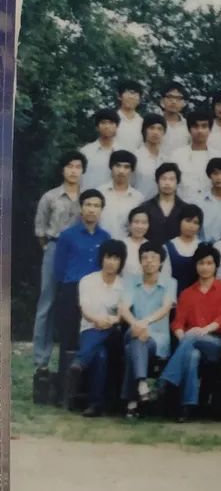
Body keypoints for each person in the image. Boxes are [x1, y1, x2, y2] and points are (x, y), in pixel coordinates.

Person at [158, 244, 221, 422]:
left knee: (192, 337)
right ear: (196, 265)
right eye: (201, 263)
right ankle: (187, 407)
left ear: (215, 266)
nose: (205, 267)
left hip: (216, 343)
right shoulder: (187, 293)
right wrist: (183, 337)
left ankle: (167, 379)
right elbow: (178, 322)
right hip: (190, 342)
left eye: (209, 263)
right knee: (192, 355)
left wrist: (202, 331)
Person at [31, 151, 86, 376]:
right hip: (54, 247)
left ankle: (76, 359)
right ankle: (41, 360)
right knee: (47, 302)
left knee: (79, 303)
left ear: (83, 171)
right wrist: (49, 248)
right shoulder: (50, 197)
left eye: (78, 167)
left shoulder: (87, 197)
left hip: (79, 251)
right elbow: (40, 230)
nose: (73, 171)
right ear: (63, 169)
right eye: (69, 166)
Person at [53, 190, 112, 387]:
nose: (92, 210)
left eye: (96, 206)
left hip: (96, 293)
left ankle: (87, 388)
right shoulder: (67, 236)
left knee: (91, 335)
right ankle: (64, 388)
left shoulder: (105, 237)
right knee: (69, 338)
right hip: (72, 290)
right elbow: (59, 268)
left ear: (101, 210)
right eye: (88, 205)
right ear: (81, 208)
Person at [70, 239, 128, 417]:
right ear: (101, 258)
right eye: (108, 257)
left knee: (108, 336)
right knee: (100, 355)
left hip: (114, 333)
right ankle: (95, 405)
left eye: (116, 258)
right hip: (90, 329)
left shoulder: (124, 285)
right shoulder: (87, 281)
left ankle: (81, 361)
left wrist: (110, 321)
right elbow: (85, 310)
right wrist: (97, 320)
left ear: (121, 262)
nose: (111, 262)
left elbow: (122, 313)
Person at [119, 241, 176, 418]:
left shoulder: (170, 283)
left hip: (158, 339)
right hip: (135, 330)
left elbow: (165, 308)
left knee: (133, 347)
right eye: (144, 258)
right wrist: (136, 324)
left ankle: (132, 402)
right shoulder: (131, 281)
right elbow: (123, 308)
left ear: (161, 261)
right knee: (137, 337)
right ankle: (142, 384)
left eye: (153, 257)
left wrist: (144, 322)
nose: (149, 261)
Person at [172, 110, 221, 203]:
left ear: (210, 129)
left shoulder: (218, 156)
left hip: (211, 205)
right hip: (183, 206)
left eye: (204, 126)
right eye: (195, 126)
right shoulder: (176, 156)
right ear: (189, 129)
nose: (200, 131)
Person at [136, 163, 189, 245]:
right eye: (163, 179)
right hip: (151, 251)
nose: (167, 183)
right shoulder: (145, 207)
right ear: (157, 181)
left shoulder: (185, 209)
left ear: (177, 182)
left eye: (171, 179)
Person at [97, 150, 144, 238]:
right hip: (101, 243)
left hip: (126, 244)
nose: (121, 171)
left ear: (132, 170)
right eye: (117, 165)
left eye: (126, 167)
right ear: (111, 167)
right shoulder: (100, 193)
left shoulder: (138, 198)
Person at [122, 207, 172, 282]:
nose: (140, 226)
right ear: (130, 224)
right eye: (136, 222)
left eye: (144, 223)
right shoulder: (121, 245)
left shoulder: (155, 247)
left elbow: (165, 275)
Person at [165, 206, 204, 294]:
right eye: (188, 221)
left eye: (195, 222)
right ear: (180, 221)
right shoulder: (167, 247)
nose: (191, 226)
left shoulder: (203, 247)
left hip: (199, 296)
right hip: (174, 295)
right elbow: (165, 278)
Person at [80, 108, 119, 189]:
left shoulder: (122, 152)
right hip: (89, 195)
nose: (107, 126)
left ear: (117, 127)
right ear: (97, 127)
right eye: (103, 123)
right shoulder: (85, 152)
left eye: (111, 123)